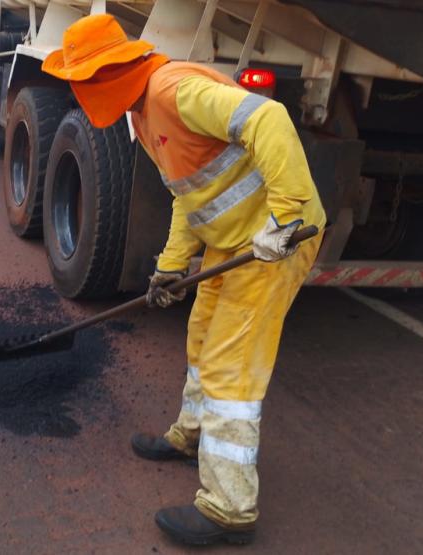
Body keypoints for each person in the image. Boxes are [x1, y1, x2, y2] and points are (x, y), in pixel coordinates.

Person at [42, 14, 326, 546]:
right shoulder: (145, 114)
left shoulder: (174, 90)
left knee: (229, 366)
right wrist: (171, 268)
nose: (80, 92)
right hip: (230, 240)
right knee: (200, 336)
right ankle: (191, 438)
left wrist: (286, 218)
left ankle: (229, 507)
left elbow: (269, 118)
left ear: (110, 72)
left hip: (274, 242)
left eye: (83, 80)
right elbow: (190, 197)